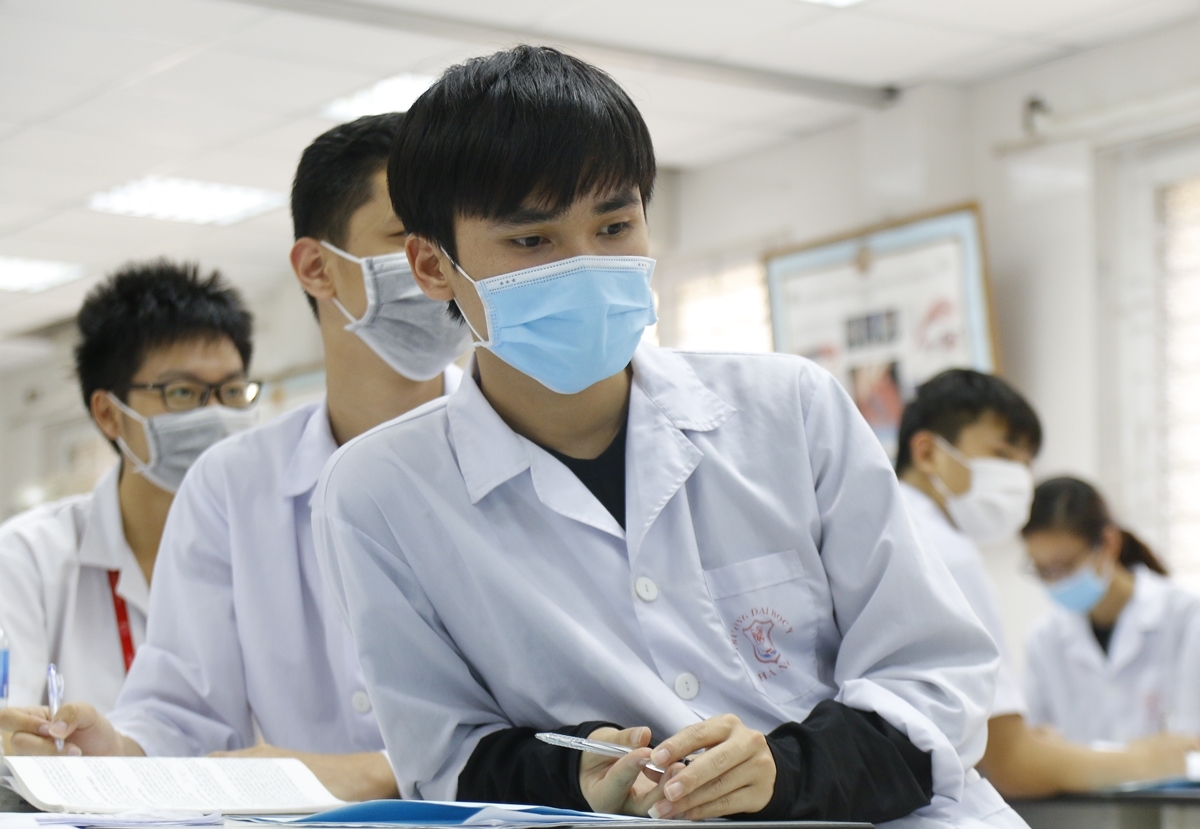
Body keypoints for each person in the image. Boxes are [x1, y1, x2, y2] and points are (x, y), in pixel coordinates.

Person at [313, 46, 1023, 828]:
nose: (586, 267)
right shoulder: (382, 490)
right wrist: (577, 773)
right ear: (431, 265)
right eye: (532, 242)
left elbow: (934, 678)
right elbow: (445, 758)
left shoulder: (791, 408)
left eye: (614, 225)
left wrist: (787, 770)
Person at [0, 113, 470, 802]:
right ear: (317, 268)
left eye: (453, 238)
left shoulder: (519, 447)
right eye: (407, 236)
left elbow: (556, 723)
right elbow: (183, 713)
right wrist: (117, 752)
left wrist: (374, 773)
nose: (437, 264)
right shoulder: (233, 484)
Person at [896, 370, 1200, 797]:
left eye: (1025, 466)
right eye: (1002, 454)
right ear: (928, 452)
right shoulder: (945, 553)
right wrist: (1146, 760)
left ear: (1108, 544)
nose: (1016, 480)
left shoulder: (889, 533)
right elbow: (1013, 761)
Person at [0, 261, 256, 717]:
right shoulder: (29, 560)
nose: (216, 414)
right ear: (109, 413)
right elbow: (9, 726)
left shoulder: (281, 547)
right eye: (183, 392)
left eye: (233, 392)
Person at [1023, 477, 1200, 746]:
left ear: (1109, 542)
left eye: (1065, 566)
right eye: (1043, 571)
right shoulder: (1044, 639)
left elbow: (1192, 738)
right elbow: (1037, 742)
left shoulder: (1186, 617)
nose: (1056, 582)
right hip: (1082, 777)